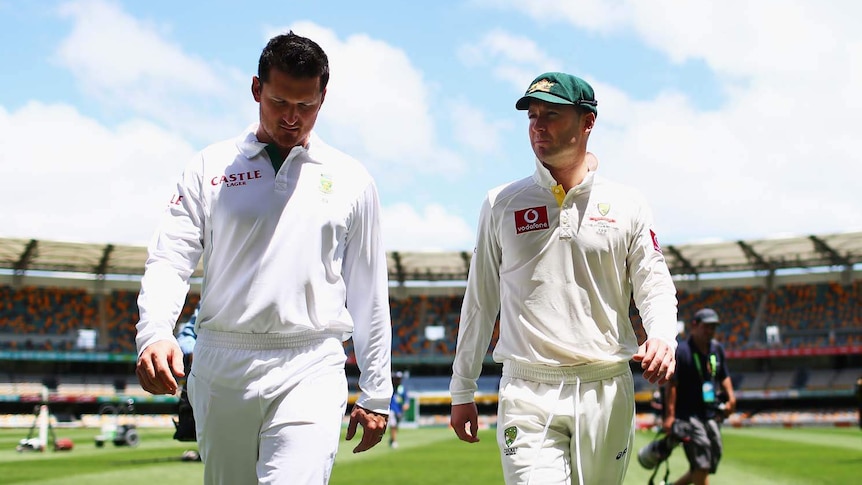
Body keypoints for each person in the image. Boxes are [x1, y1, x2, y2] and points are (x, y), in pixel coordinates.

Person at [134, 31, 393, 484]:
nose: (292, 118)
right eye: (279, 102)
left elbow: (369, 292)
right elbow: (170, 258)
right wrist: (155, 332)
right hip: (223, 362)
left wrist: (377, 391)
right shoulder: (208, 168)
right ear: (257, 89)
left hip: (311, 359)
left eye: (306, 106)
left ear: (323, 97)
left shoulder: (352, 180)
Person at [449, 72, 679, 485]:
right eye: (533, 115)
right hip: (526, 386)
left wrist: (662, 334)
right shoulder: (501, 203)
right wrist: (462, 387)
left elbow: (653, 280)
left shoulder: (627, 204)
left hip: (606, 384)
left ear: (587, 122)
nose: (538, 126)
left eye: (551, 115)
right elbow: (481, 299)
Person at [663, 308, 736, 485]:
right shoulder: (682, 352)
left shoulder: (716, 349)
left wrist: (731, 398)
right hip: (688, 416)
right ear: (694, 326)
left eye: (713, 327)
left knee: (709, 460)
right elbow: (672, 385)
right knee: (702, 462)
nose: (710, 331)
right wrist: (670, 416)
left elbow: (723, 376)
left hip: (710, 414)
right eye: (706, 327)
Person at [388, 371, 409, 448]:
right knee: (393, 425)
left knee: (396, 426)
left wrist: (406, 404)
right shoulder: (390, 388)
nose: (398, 380)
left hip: (399, 410)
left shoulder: (402, 389)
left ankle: (392, 438)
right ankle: (394, 441)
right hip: (391, 409)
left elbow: (406, 398)